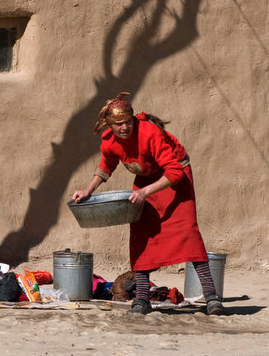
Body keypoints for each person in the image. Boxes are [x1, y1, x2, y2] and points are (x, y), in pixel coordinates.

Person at [72, 92, 224, 315]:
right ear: (109, 124)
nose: (124, 128)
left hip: (174, 179)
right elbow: (106, 166)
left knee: (188, 234)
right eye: (118, 124)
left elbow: (175, 172)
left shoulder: (149, 133)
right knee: (141, 236)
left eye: (128, 122)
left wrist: (145, 192)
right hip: (145, 182)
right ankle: (142, 299)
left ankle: (211, 298)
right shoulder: (109, 142)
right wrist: (87, 190)